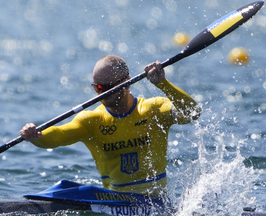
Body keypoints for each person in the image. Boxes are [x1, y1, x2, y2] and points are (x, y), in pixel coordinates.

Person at [20, 54, 200, 197]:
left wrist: (163, 84)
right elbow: (58, 135)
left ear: (127, 82)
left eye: (108, 87)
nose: (103, 93)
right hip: (115, 202)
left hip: (155, 203)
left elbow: (193, 112)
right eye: (98, 88)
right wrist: (37, 135)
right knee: (65, 188)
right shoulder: (92, 121)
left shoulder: (154, 109)